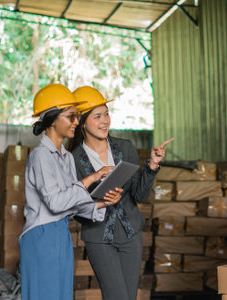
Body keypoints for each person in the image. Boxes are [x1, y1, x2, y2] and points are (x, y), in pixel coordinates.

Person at [19, 83, 123, 300]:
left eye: (77, 117)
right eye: (71, 117)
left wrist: (102, 203)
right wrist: (92, 178)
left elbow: (70, 203)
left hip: (60, 234)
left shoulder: (65, 157)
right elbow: (56, 203)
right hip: (41, 235)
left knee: (61, 295)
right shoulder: (40, 156)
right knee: (43, 295)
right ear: (52, 119)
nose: (77, 122)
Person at [68, 86, 173, 300]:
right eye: (97, 116)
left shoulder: (125, 148)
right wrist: (101, 202)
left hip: (130, 234)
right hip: (99, 237)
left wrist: (152, 165)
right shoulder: (73, 159)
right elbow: (74, 209)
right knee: (116, 297)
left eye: (106, 113)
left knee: (128, 297)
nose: (105, 120)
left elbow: (139, 195)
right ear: (82, 121)